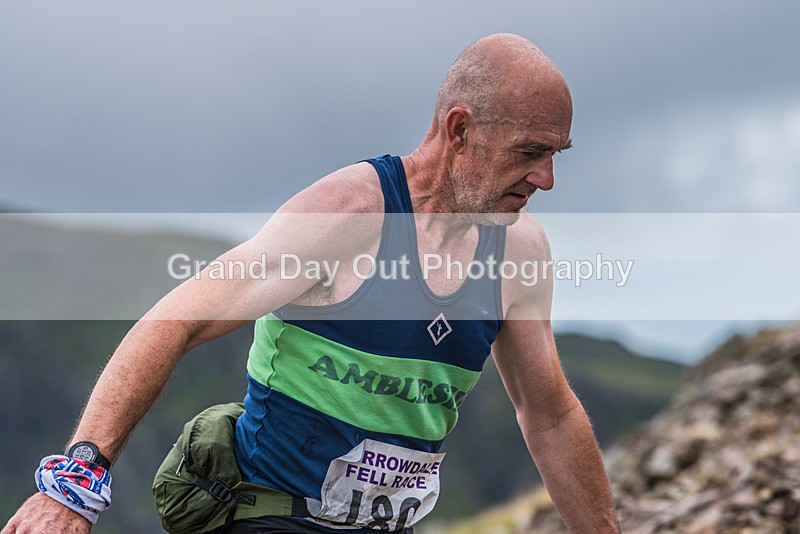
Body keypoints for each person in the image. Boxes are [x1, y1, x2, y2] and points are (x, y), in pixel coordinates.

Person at [2, 33, 619, 533]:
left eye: (556, 154)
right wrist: (75, 483)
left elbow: (549, 414)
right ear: (460, 131)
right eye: (529, 152)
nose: (546, 179)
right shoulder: (348, 214)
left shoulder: (519, 251)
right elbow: (177, 318)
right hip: (267, 515)